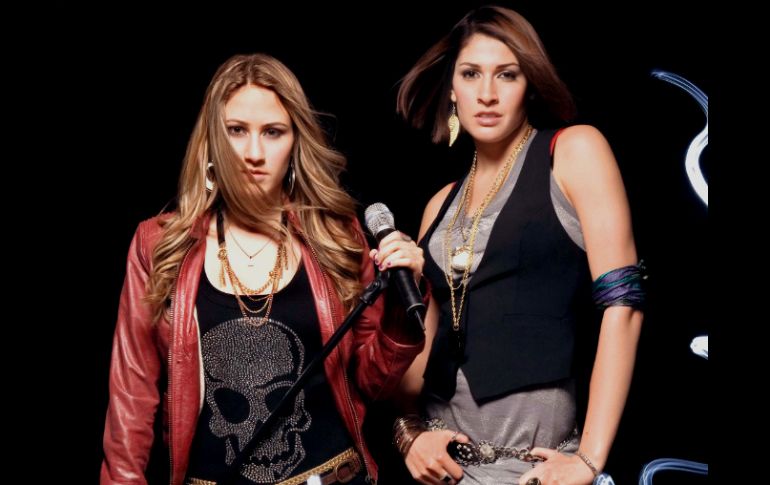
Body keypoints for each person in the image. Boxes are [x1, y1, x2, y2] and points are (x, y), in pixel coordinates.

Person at [100, 53, 427, 485]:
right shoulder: (158, 245)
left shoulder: (335, 234)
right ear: (213, 139)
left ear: (295, 142)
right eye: (236, 130)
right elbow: (132, 400)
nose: (254, 153)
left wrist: (401, 310)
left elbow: (373, 385)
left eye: (273, 132)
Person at [391, 6, 645, 485]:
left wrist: (589, 459)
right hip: (442, 469)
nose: (487, 94)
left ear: (529, 82)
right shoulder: (439, 204)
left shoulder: (573, 151)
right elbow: (422, 347)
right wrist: (409, 433)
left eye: (506, 74)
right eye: (471, 74)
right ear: (452, 88)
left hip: (531, 467)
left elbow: (624, 304)